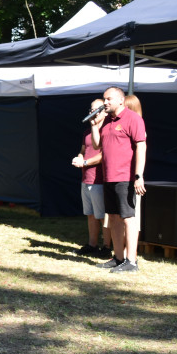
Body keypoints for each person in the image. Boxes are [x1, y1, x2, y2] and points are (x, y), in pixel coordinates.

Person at [91, 87, 146, 273]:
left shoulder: (133, 119)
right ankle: (118, 257)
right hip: (109, 177)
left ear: (121, 100)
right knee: (113, 218)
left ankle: (132, 261)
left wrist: (138, 175)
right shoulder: (107, 120)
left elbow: (141, 147)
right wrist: (94, 125)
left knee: (128, 218)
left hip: (126, 177)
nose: (105, 102)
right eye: (104, 99)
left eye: (108, 99)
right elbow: (98, 145)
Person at [72, 99, 109, 256]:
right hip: (85, 178)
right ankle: (92, 244)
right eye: (90, 110)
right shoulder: (87, 132)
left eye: (96, 110)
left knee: (102, 216)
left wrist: (85, 162)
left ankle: (107, 247)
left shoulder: (107, 130)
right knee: (91, 214)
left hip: (98, 180)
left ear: (104, 112)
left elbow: (104, 155)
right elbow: (83, 149)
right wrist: (79, 157)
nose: (92, 113)